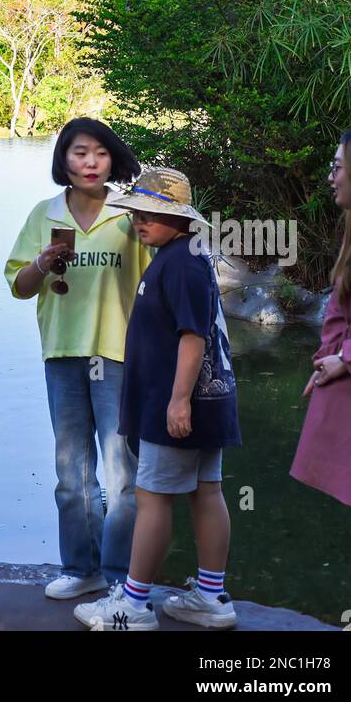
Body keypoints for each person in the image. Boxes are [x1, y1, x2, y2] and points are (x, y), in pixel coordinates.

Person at [74, 167, 241, 632]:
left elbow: (193, 338)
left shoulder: (181, 263)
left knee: (152, 498)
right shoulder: (183, 255)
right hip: (208, 402)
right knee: (207, 491)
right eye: (136, 213)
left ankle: (133, 604)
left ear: (182, 219)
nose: (139, 221)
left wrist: (179, 400)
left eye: (152, 214)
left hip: (182, 405)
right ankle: (211, 597)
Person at [4, 118, 151, 600]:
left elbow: (156, 287)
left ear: (113, 159)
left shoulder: (132, 215)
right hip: (63, 354)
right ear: (62, 159)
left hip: (119, 356)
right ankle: (80, 569)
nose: (91, 163)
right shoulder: (44, 214)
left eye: (101, 153)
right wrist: (41, 263)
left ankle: (118, 579)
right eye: (80, 152)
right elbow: (20, 288)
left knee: (123, 475)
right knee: (71, 474)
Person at [291, 126, 351, 632]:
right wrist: (332, 356)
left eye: (339, 164)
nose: (331, 175)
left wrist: (347, 358)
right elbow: (343, 314)